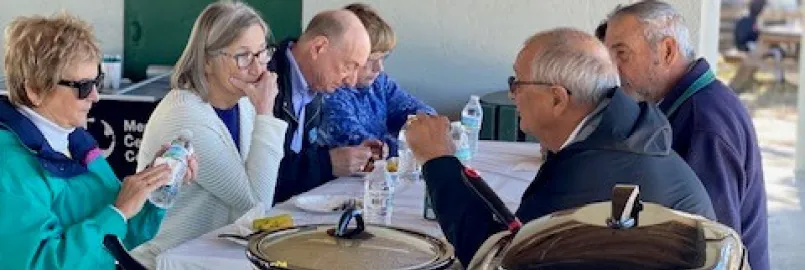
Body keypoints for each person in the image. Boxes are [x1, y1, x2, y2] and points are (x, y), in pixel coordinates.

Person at [406, 28, 716, 266]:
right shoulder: (620, 135)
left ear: (557, 98)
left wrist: (438, 161)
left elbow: (495, 258)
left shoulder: (589, 171)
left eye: (518, 82)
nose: (512, 95)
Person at [0, 13, 195, 269]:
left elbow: (125, 234)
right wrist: (117, 212)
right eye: (82, 87)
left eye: (97, 82)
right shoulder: (9, 167)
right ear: (35, 89)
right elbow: (40, 264)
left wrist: (158, 183)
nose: (95, 97)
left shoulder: (74, 141)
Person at [604, 2, 768, 269]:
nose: (613, 69)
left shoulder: (702, 122)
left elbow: (714, 247)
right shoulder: (690, 101)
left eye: (622, 54)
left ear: (667, 51)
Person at [130, 2, 288, 268]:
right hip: (171, 260)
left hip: (217, 253)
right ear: (207, 61)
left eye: (262, 53)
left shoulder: (242, 102)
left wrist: (259, 112)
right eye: (243, 56)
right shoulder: (186, 116)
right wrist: (266, 113)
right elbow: (255, 203)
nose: (258, 68)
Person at [269, 9, 375, 204]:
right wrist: (327, 164)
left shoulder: (316, 85)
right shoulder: (266, 81)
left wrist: (348, 156)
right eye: (348, 66)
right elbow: (264, 178)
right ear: (318, 47)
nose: (351, 82)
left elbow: (301, 158)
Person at [319, 3, 435, 157]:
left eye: (383, 58)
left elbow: (420, 111)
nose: (379, 68)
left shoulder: (379, 82)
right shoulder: (331, 90)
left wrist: (427, 125)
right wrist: (418, 140)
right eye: (371, 59)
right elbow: (364, 146)